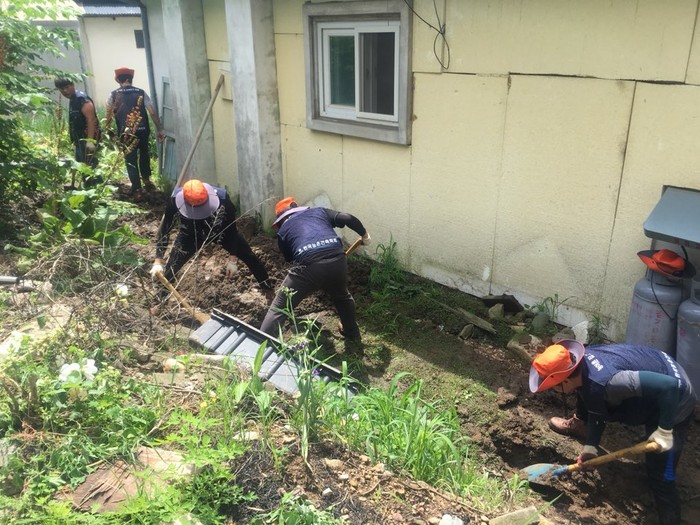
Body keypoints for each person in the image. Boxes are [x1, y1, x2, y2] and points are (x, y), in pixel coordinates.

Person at [529, 340, 696, 525]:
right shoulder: (582, 363)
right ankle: (581, 426)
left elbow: (670, 386)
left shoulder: (611, 382)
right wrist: (591, 447)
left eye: (554, 387)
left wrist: (664, 430)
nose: (553, 390)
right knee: (587, 390)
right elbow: (595, 403)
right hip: (656, 365)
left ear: (566, 380)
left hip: (676, 395)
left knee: (661, 476)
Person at [259, 197, 370, 350]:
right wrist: (364, 235)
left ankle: (260, 347)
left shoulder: (283, 230)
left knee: (279, 308)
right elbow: (347, 218)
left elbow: (291, 259)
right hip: (337, 260)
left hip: (308, 267)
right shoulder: (319, 212)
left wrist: (309, 283)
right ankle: (352, 332)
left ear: (281, 218)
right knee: (342, 296)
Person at [149, 179, 274, 313]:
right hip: (190, 234)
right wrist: (158, 260)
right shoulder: (175, 199)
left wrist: (233, 257)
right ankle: (159, 303)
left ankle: (269, 291)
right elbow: (166, 228)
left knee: (250, 257)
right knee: (171, 268)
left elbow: (232, 228)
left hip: (221, 230)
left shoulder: (222, 198)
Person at [105, 67, 164, 200]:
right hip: (143, 130)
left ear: (119, 80)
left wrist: (109, 131)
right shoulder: (141, 92)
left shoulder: (113, 94)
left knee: (130, 159)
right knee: (144, 154)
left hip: (126, 134)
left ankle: (137, 188)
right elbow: (152, 112)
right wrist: (159, 129)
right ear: (130, 79)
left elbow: (108, 115)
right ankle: (147, 181)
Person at [54, 78, 102, 186]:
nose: (65, 91)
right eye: (62, 89)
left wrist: (90, 141)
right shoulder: (73, 99)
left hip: (88, 139)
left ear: (73, 85)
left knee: (90, 167)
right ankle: (89, 189)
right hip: (79, 140)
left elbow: (91, 120)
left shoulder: (82, 99)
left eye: (67, 87)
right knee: (83, 167)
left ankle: (98, 190)